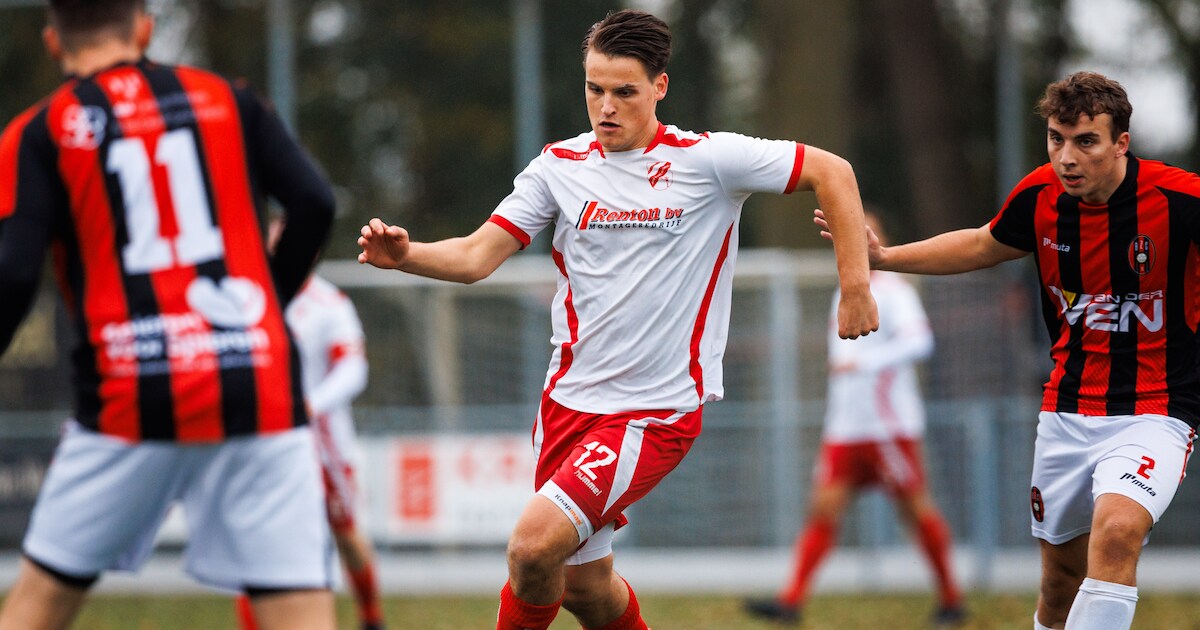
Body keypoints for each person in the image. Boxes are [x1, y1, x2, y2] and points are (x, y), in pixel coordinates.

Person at [357, 9, 878, 630]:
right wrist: (406, 256)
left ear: (659, 87)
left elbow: (833, 171)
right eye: (593, 89)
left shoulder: (709, 160)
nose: (605, 107)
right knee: (584, 587)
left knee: (530, 548)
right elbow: (475, 257)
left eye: (624, 92)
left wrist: (855, 288)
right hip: (566, 408)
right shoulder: (559, 166)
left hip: (654, 413)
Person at [816, 71, 1200, 630]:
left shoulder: (1180, 200)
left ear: (1122, 142)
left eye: (1085, 142)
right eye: (1055, 139)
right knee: (1059, 582)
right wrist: (884, 258)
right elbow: (980, 243)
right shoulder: (1040, 196)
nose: (1067, 157)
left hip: (1158, 410)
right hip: (1066, 411)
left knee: (1117, 533)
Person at [0, 1, 337, 629]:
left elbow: (15, 272)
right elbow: (315, 202)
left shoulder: (40, 130)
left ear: (53, 42)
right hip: (256, 379)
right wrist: (267, 305)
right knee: (298, 613)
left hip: (129, 389)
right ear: (144, 28)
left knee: (40, 604)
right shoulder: (229, 100)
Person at [744, 211, 965, 627]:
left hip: (887, 427)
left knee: (915, 510)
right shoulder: (842, 291)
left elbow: (920, 342)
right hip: (845, 429)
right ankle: (790, 601)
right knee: (823, 510)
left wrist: (864, 365)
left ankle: (952, 599)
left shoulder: (895, 289)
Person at [236, 218, 385, 630]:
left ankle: (372, 616)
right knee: (255, 538)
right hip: (261, 438)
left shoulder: (329, 304)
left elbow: (353, 370)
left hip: (323, 443)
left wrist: (308, 406)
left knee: (344, 530)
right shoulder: (246, 299)